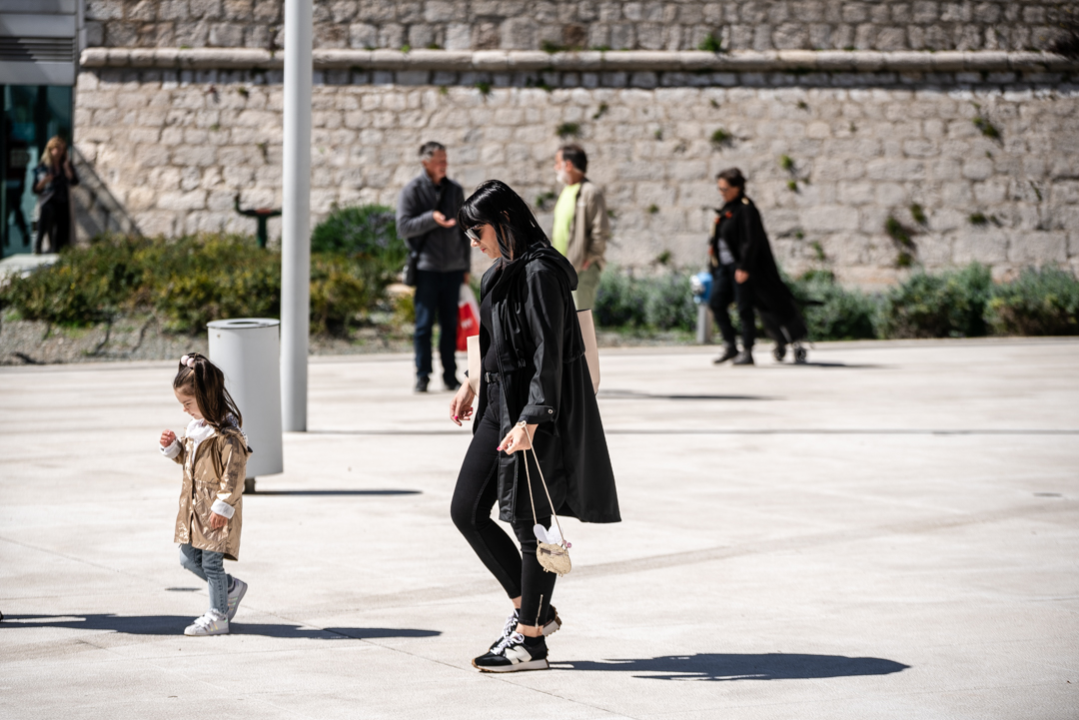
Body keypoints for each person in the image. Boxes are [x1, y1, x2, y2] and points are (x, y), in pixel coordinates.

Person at [448, 180, 620, 672]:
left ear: (503, 219)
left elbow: (549, 353)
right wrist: (472, 382)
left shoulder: (541, 272)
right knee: (468, 510)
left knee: (530, 525)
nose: (473, 241)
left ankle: (531, 642)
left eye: (476, 230)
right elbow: (494, 342)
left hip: (534, 411)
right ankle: (530, 612)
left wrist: (534, 419)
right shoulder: (499, 273)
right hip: (498, 404)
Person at [159, 353, 251, 636]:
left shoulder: (228, 436)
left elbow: (233, 477)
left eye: (188, 403)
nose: (185, 410)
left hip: (215, 512)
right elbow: (191, 462)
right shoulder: (197, 430)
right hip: (193, 511)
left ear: (206, 396)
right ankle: (230, 587)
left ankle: (218, 615)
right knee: (187, 557)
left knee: (212, 563)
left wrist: (223, 507)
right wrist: (175, 447)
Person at [396, 141, 470, 393]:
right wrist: (431, 219)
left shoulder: (455, 190)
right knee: (424, 326)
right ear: (425, 162)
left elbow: (463, 230)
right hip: (426, 268)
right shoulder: (412, 191)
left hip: (453, 268)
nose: (444, 165)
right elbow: (403, 227)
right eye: (439, 160)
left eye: (445, 160)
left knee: (450, 325)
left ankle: (450, 376)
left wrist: (466, 267)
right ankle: (422, 375)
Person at [708, 168, 800, 366]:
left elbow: (751, 241)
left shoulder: (746, 208)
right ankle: (730, 346)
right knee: (716, 303)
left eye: (724, 188)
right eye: (719, 188)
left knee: (744, 308)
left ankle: (747, 351)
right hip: (724, 267)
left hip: (740, 268)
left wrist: (744, 266)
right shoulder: (727, 207)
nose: (721, 192)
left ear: (737, 187)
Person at [551, 144, 610, 311]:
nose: (555, 167)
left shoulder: (591, 192)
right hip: (563, 272)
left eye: (557, 162)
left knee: (582, 324)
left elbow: (601, 230)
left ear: (568, 165)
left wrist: (589, 259)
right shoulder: (566, 191)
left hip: (582, 270)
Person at [31, 136, 79, 254]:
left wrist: (67, 168)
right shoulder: (43, 166)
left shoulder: (65, 165)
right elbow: (35, 189)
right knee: (46, 219)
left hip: (62, 200)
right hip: (48, 200)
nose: (59, 152)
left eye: (62, 149)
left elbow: (74, 181)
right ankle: (39, 247)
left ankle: (59, 251)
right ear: (50, 150)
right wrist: (45, 181)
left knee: (62, 228)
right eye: (57, 149)